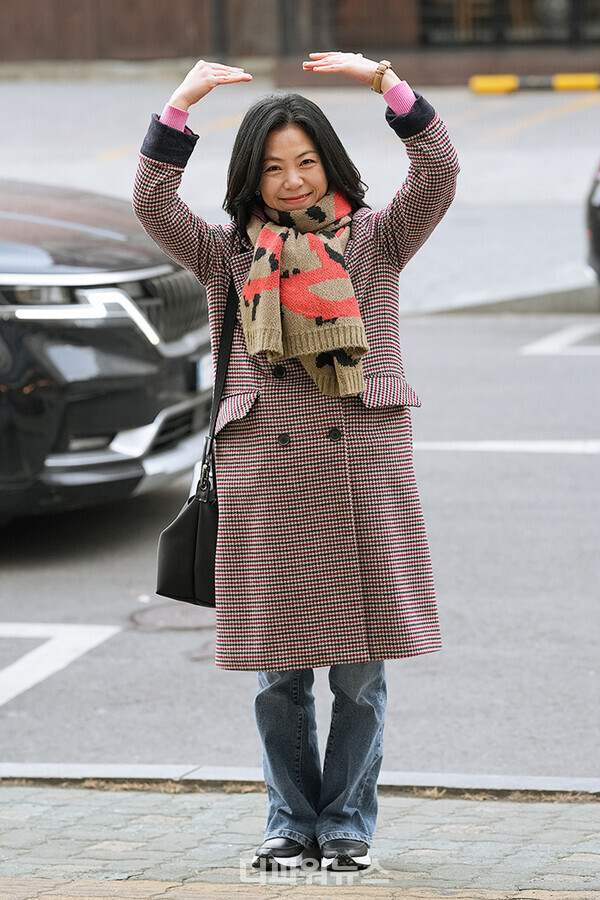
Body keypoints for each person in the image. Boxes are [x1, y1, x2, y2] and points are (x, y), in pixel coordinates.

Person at [134, 51, 459, 873]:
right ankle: (288, 819)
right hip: (267, 485)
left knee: (357, 679)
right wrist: (182, 102)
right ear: (251, 175)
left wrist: (386, 82)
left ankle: (346, 823)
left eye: (306, 162)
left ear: (330, 165)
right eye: (273, 167)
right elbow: (151, 200)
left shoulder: (378, 242)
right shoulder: (228, 257)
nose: (291, 181)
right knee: (279, 679)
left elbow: (439, 167)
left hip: (360, 480)